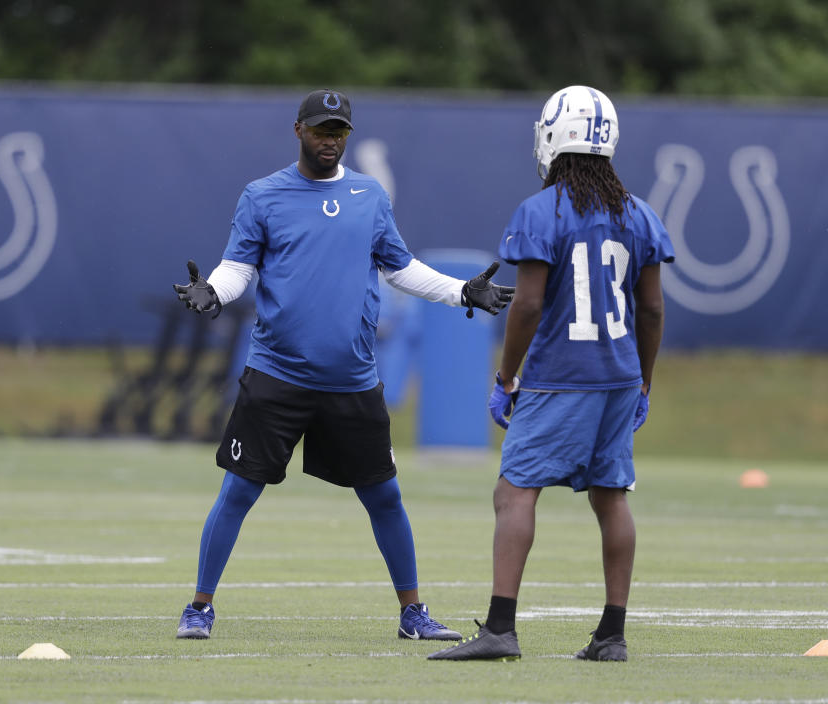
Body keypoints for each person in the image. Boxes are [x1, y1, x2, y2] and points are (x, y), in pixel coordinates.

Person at [171, 88, 514, 642]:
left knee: (384, 496)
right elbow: (239, 267)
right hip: (278, 374)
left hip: (351, 380)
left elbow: (401, 269)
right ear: (298, 130)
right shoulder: (262, 196)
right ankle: (199, 607)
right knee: (238, 492)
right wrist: (213, 291)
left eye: (339, 132)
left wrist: (462, 293)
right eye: (321, 130)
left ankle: (413, 614)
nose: (330, 140)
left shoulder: (369, 196)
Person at [429, 85, 674, 662]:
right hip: (617, 376)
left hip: (559, 376)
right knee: (612, 498)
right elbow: (654, 308)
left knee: (514, 492)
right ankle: (612, 635)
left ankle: (499, 629)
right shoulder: (639, 214)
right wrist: (644, 381)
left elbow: (529, 305)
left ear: (551, 138)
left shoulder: (541, 211)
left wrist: (505, 375)